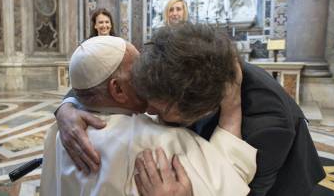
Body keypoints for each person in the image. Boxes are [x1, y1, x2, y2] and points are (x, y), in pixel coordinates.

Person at [55, 23, 326, 196]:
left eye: (159, 109)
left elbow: (245, 190)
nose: (147, 110)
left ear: (199, 108)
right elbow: (96, 82)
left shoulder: (267, 124)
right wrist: (66, 108)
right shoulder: (176, 62)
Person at [40, 35, 257, 196]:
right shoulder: (157, 143)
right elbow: (232, 175)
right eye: (138, 70)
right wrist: (231, 107)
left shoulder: (60, 134)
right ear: (118, 90)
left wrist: (66, 106)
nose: (149, 72)